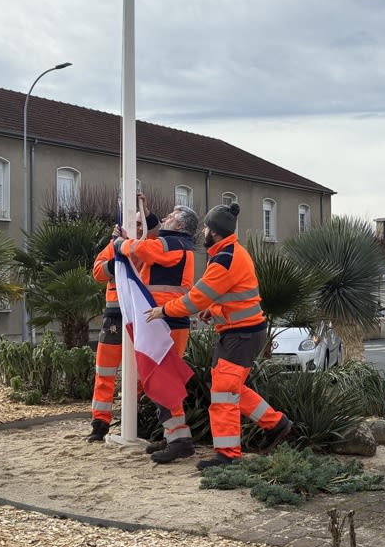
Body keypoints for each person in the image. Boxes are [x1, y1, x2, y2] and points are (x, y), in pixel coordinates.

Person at [146, 202, 292, 471]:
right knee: (230, 389)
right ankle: (276, 424)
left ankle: (228, 455)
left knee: (224, 392)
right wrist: (214, 311)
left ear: (214, 231)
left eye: (206, 227)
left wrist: (163, 310)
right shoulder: (228, 252)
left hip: (241, 335)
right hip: (241, 333)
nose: (203, 231)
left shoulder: (224, 258)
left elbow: (196, 298)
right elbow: (227, 294)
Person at [116, 194, 198, 463]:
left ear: (180, 226)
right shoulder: (179, 243)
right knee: (164, 380)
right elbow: (152, 242)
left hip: (166, 322)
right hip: (164, 320)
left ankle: (179, 440)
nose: (165, 219)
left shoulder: (174, 243)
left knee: (164, 382)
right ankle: (173, 435)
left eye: (171, 217)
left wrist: (120, 244)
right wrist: (147, 215)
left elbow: (145, 249)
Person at [87, 207, 160, 443]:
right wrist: (116, 258)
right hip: (115, 316)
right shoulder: (114, 245)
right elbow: (97, 272)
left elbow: (154, 235)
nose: (138, 227)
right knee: (105, 370)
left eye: (141, 223)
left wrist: (146, 215)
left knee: (139, 372)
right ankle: (100, 423)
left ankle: (134, 417)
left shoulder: (151, 243)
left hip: (141, 317)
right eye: (134, 223)